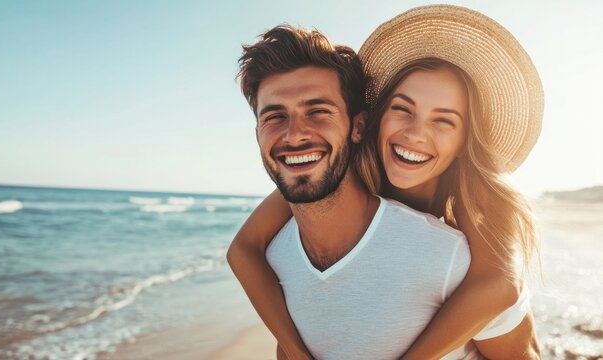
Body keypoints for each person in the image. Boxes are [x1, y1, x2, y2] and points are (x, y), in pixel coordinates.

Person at [228, 5, 542, 359]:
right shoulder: (344, 168)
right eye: (403, 109)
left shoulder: (477, 200)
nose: (415, 134)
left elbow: (501, 286)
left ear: (463, 143)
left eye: (443, 121)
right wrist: (294, 349)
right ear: (374, 120)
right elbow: (243, 249)